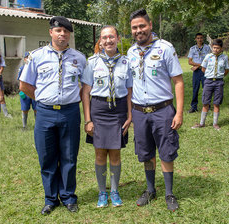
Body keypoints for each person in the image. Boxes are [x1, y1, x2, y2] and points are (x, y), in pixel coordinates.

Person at [19, 16, 86, 215]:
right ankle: (50, 199)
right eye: (58, 31)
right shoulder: (36, 56)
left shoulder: (79, 58)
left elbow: (86, 86)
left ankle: (68, 197)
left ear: (69, 34)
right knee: (47, 157)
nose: (62, 34)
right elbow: (24, 85)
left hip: (70, 113)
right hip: (45, 113)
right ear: (51, 32)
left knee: (69, 157)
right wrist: (40, 100)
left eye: (66, 31)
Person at [127, 9, 184, 211]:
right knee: (146, 152)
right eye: (135, 27)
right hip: (140, 112)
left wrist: (179, 113)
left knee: (166, 152)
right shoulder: (131, 52)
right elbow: (130, 86)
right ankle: (151, 190)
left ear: (150, 26)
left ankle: (169, 193)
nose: (138, 30)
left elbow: (178, 81)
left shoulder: (165, 48)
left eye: (142, 26)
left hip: (163, 110)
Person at [81, 25, 132, 208]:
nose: (108, 40)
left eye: (112, 37)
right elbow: (85, 92)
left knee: (116, 153)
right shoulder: (92, 62)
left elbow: (129, 91)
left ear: (118, 38)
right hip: (99, 110)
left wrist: (130, 115)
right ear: (100, 41)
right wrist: (88, 120)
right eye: (104, 37)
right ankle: (102, 192)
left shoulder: (126, 62)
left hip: (118, 111)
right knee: (100, 153)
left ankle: (115, 191)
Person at [192, 39, 229, 130]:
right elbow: (203, 68)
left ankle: (215, 124)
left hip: (219, 82)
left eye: (217, 48)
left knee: (216, 103)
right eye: (214, 48)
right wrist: (210, 76)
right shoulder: (208, 56)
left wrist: (219, 76)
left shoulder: (225, 58)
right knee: (205, 102)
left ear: (221, 48)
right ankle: (202, 123)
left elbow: (226, 70)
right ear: (212, 47)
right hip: (208, 82)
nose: (215, 50)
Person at [188, 33, 211, 113]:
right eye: (198, 38)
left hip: (205, 71)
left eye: (201, 38)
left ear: (203, 39)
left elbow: (209, 60)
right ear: (195, 39)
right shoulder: (192, 49)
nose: (199, 39)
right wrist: (199, 65)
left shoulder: (207, 48)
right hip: (197, 72)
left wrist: (198, 65)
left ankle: (208, 106)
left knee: (206, 89)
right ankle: (193, 107)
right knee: (195, 89)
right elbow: (190, 62)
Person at [17, 51, 37, 129]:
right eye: (26, 58)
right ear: (24, 59)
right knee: (24, 109)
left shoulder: (36, 67)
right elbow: (20, 80)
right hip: (25, 92)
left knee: (36, 109)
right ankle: (24, 126)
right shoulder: (22, 68)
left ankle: (37, 125)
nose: (28, 59)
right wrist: (21, 91)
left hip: (34, 90)